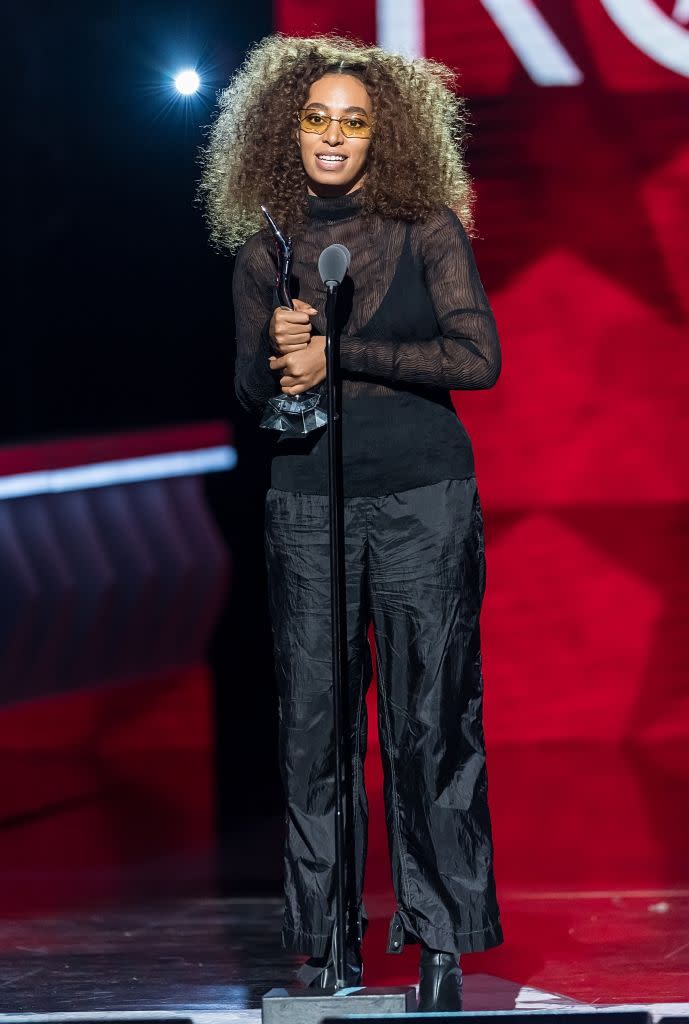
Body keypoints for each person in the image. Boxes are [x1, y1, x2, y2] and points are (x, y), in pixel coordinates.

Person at [199, 34, 503, 1012]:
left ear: (388, 134)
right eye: (316, 118)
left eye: (354, 120)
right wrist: (281, 360)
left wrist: (344, 352)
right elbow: (252, 393)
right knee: (313, 730)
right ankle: (329, 942)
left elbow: (475, 358)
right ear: (284, 130)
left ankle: (443, 939)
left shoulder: (425, 231)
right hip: (304, 505)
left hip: (420, 496)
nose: (333, 136)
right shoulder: (267, 249)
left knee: (428, 721)